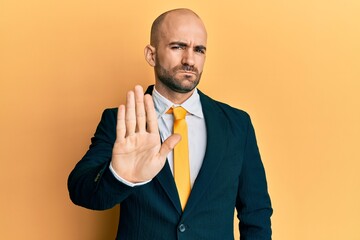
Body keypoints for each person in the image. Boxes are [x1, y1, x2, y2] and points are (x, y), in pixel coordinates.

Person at [68, 8, 272, 240]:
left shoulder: (237, 125)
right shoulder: (120, 121)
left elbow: (256, 213)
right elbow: (80, 191)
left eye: (199, 50)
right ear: (151, 55)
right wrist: (120, 177)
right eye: (178, 46)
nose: (189, 60)